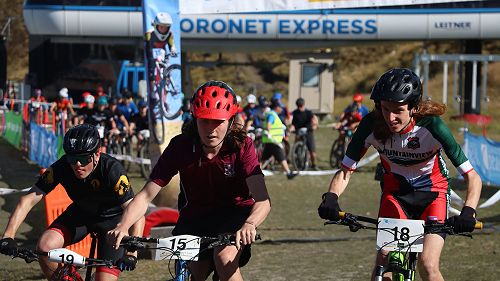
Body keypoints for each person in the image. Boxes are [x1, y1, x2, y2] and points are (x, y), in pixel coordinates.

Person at [317, 68, 482, 281]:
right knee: (383, 263)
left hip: (433, 194)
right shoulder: (371, 125)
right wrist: (331, 197)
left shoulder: (431, 126)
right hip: (396, 194)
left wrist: (468, 211)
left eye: (398, 110)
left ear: (413, 108)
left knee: (428, 264)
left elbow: (472, 176)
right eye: (385, 109)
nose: (391, 117)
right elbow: (346, 170)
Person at [108, 81, 271, 281]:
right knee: (195, 272)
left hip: (235, 215)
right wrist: (123, 226)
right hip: (195, 217)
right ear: (194, 119)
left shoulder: (242, 146)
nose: (211, 129)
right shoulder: (180, 146)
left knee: (224, 258)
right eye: (204, 121)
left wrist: (250, 224)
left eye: (218, 122)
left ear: (231, 120)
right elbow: (145, 195)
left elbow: (262, 199)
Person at [0, 124, 145, 280]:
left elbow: (138, 215)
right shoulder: (62, 167)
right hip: (81, 214)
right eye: (72, 158)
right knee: (44, 246)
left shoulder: (112, 170)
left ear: (97, 154)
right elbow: (27, 200)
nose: (77, 165)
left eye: (83, 158)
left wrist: (132, 253)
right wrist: (8, 235)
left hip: (113, 221)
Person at [262, 100, 298, 179]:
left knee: (263, 159)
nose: (281, 108)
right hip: (273, 141)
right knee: (281, 157)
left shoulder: (273, 114)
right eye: (280, 107)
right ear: (276, 107)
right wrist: (269, 133)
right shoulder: (272, 115)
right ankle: (288, 173)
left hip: (271, 141)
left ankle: (254, 173)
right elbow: (269, 125)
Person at [145, 12, 178, 93]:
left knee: (167, 66)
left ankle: (168, 83)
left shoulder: (170, 34)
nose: (163, 30)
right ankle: (152, 91)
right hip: (151, 51)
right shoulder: (149, 33)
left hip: (163, 52)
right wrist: (151, 58)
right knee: (151, 70)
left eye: (166, 27)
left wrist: (173, 49)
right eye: (161, 27)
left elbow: (171, 44)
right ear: (156, 26)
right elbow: (148, 46)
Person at [289, 98, 319, 170]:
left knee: (312, 150)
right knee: (296, 144)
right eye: (298, 106)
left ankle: (314, 164)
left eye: (301, 106)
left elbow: (313, 119)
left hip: (308, 131)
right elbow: (293, 123)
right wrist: (291, 128)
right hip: (299, 131)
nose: (300, 108)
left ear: (303, 105)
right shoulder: (295, 113)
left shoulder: (308, 112)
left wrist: (314, 125)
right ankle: (296, 158)